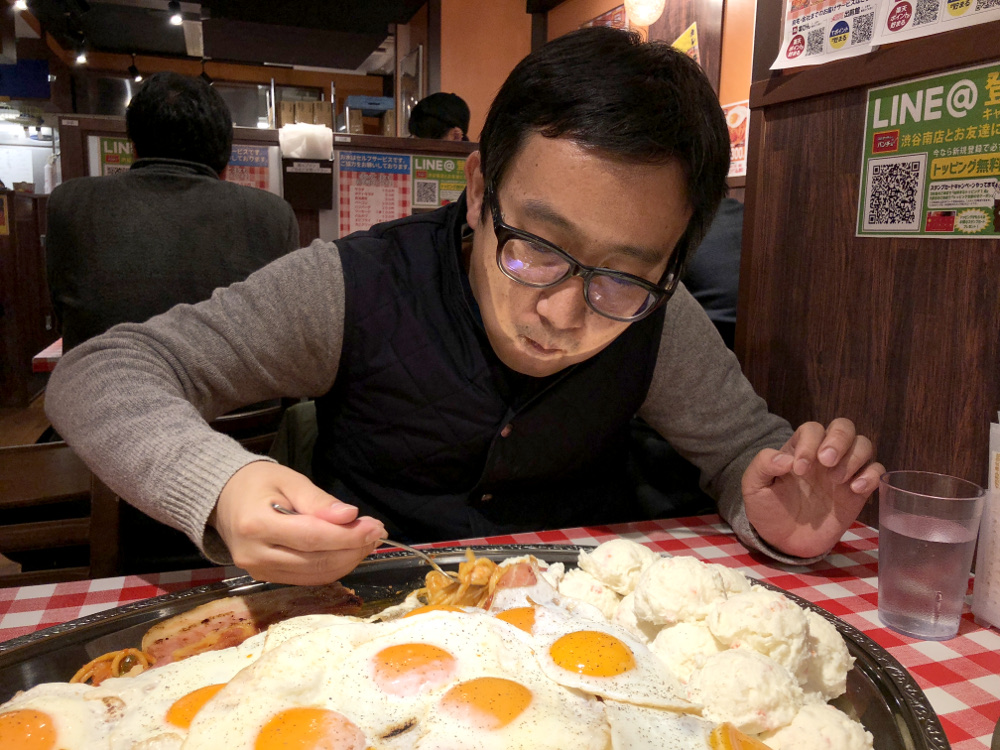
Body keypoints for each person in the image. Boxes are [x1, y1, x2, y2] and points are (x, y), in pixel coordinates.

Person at [46, 27, 884, 587]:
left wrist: (766, 504)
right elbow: (102, 371)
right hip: (360, 632)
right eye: (537, 248)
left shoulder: (658, 319)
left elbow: (743, 447)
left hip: (565, 644)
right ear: (479, 190)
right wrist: (221, 482)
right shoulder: (352, 285)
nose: (562, 312)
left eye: (623, 276)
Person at [46, 71, 300, 352]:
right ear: (225, 162)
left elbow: (67, 315)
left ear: (134, 148)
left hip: (103, 391)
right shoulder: (273, 217)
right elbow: (284, 339)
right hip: (234, 396)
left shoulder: (70, 204)